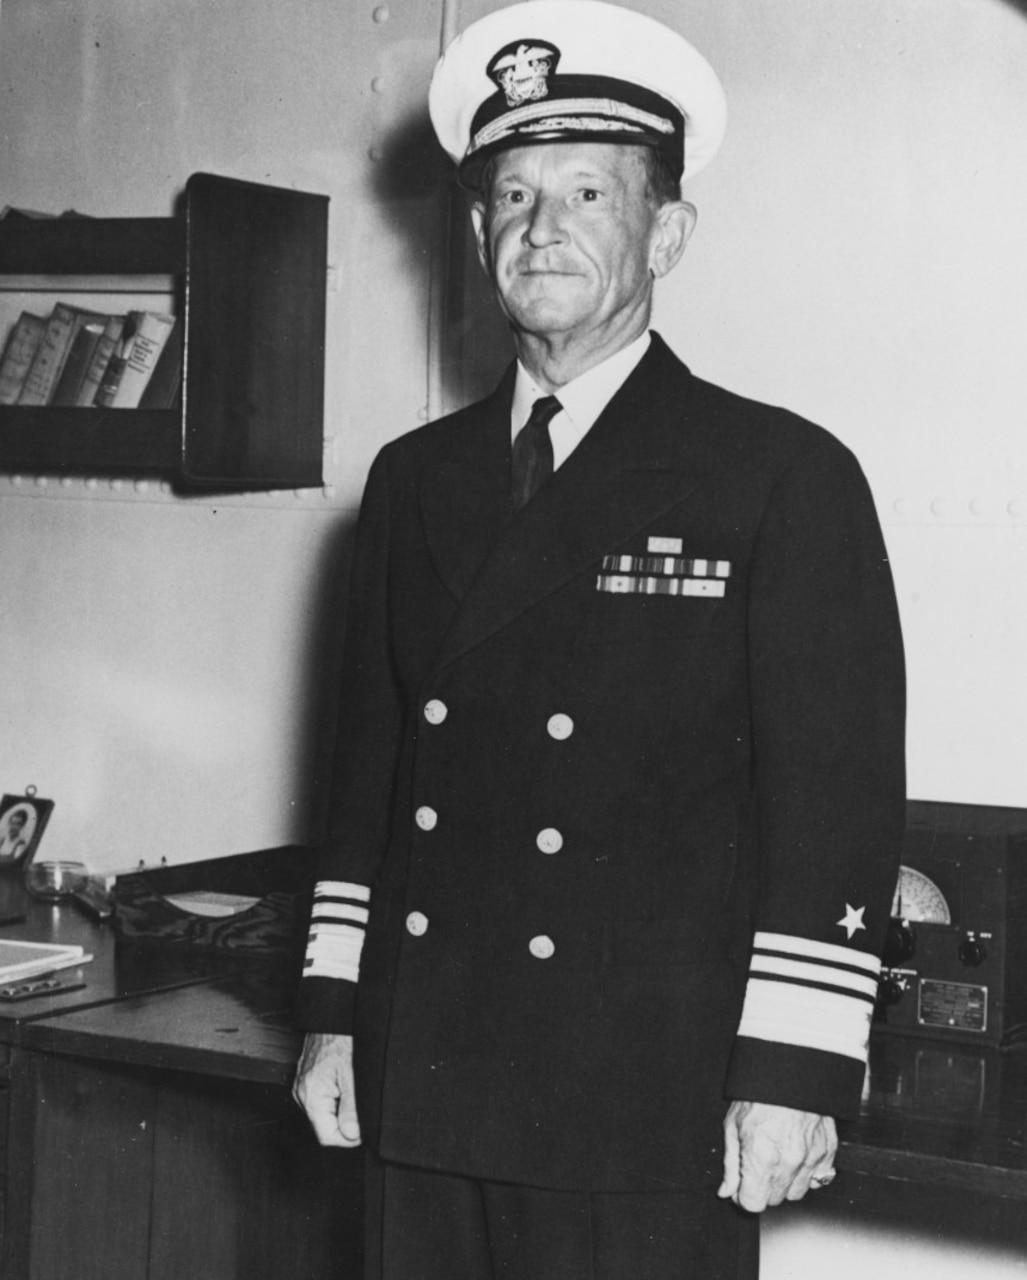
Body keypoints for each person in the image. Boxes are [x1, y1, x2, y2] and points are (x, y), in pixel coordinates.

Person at [293, 3, 906, 1276]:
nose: (541, 227)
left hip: (645, 1089)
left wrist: (793, 1069)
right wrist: (333, 1014)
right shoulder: (415, 481)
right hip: (429, 1066)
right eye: (511, 195)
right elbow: (366, 777)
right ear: (473, 236)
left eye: (587, 190)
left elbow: (832, 801)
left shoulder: (775, 475)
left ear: (665, 232)